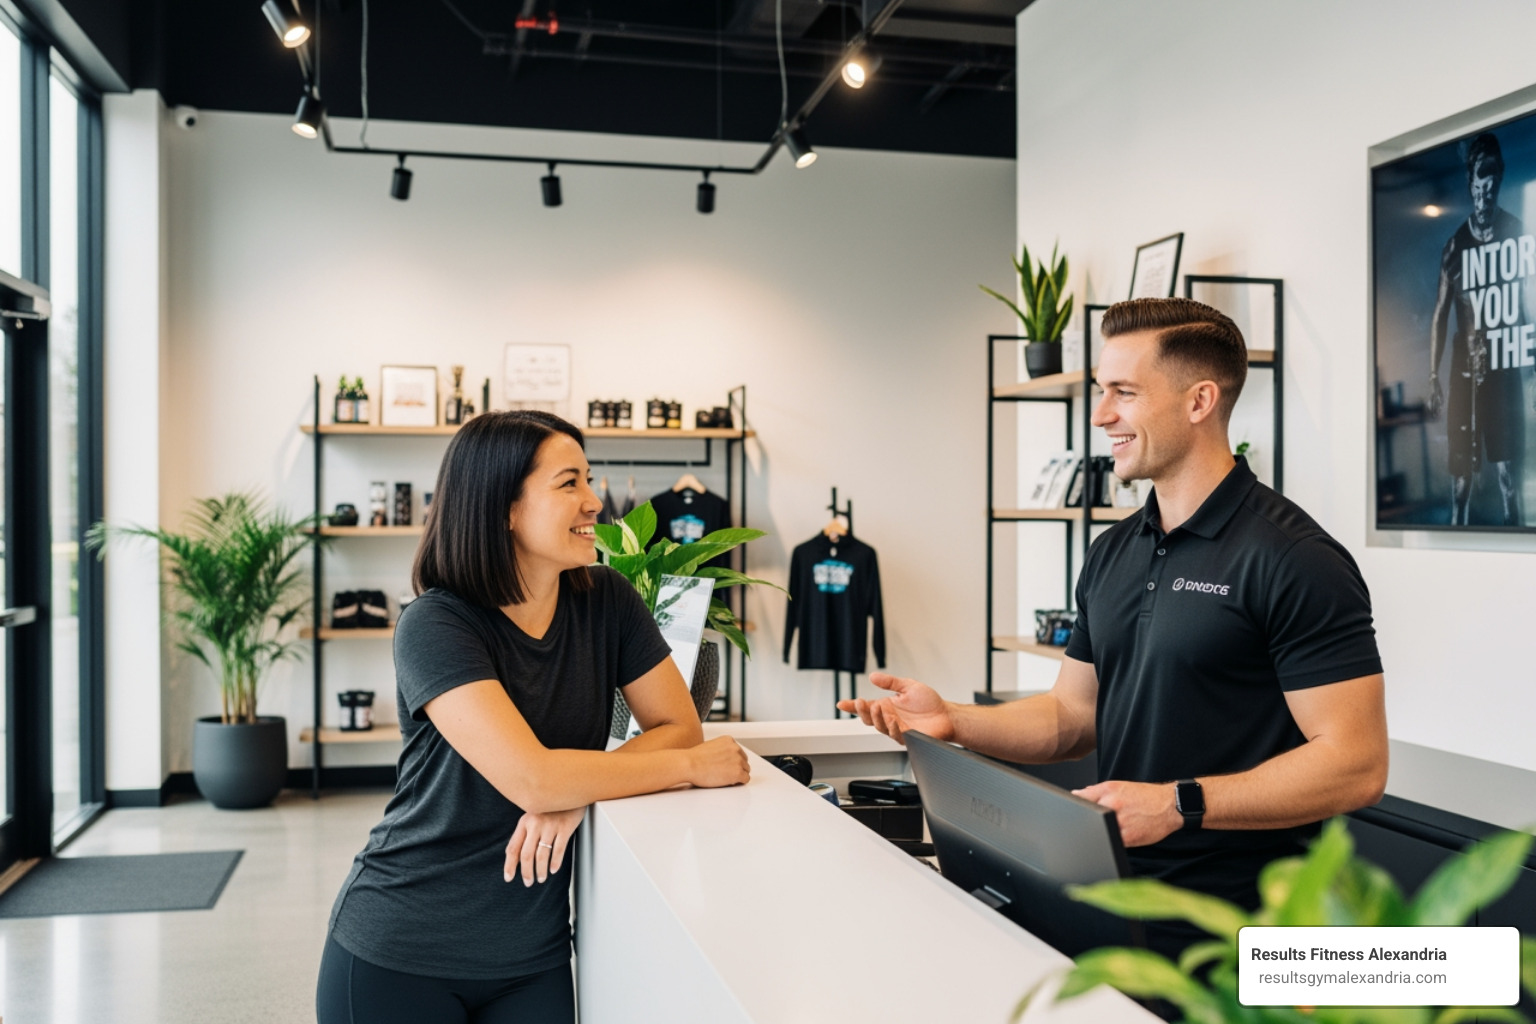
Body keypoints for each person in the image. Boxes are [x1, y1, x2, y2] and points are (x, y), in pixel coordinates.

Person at [841, 297, 1388, 956]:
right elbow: (1073, 715)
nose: (1101, 415)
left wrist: (1178, 803)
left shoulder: (1294, 559)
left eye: (1123, 393)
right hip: (1114, 906)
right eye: (1102, 392)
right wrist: (953, 720)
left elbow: (1357, 765)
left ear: (1198, 401)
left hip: (1238, 935)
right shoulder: (1114, 551)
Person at [317, 410, 750, 1024]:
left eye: (589, 479)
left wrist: (576, 792)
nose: (594, 501)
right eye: (569, 483)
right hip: (403, 946)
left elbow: (676, 725)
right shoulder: (437, 624)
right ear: (504, 508)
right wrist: (687, 768)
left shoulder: (608, 603)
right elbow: (533, 780)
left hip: (532, 956)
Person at [1427, 130, 1529, 526]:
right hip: (1464, 372)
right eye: (1478, 185)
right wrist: (1433, 375)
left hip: (1502, 371)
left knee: (1507, 477)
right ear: (1470, 184)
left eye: (1491, 184)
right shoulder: (1454, 248)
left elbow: (1527, 308)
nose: (1484, 193)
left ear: (1499, 181)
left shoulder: (1518, 234)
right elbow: (1439, 313)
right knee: (1461, 482)